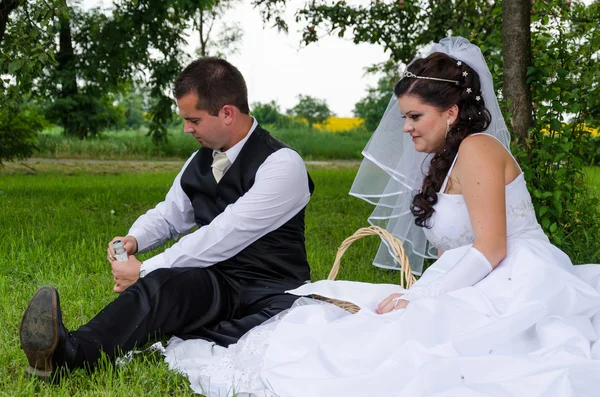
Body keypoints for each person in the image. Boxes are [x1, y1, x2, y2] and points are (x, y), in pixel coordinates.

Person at [159, 37, 600, 397]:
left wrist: (424, 297)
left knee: (404, 341)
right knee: (348, 317)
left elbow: (491, 247)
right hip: (478, 274)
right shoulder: (443, 159)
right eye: (405, 116)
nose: (405, 127)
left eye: (415, 116)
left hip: (515, 274)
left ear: (451, 112)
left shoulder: (477, 148)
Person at [19, 57, 315, 381]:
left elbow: (224, 233)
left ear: (227, 113)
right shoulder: (198, 159)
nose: (187, 129)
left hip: (270, 291)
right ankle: (69, 353)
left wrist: (144, 268)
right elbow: (170, 215)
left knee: (163, 280)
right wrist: (135, 240)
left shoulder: (283, 165)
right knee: (163, 286)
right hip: (218, 285)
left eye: (194, 120)